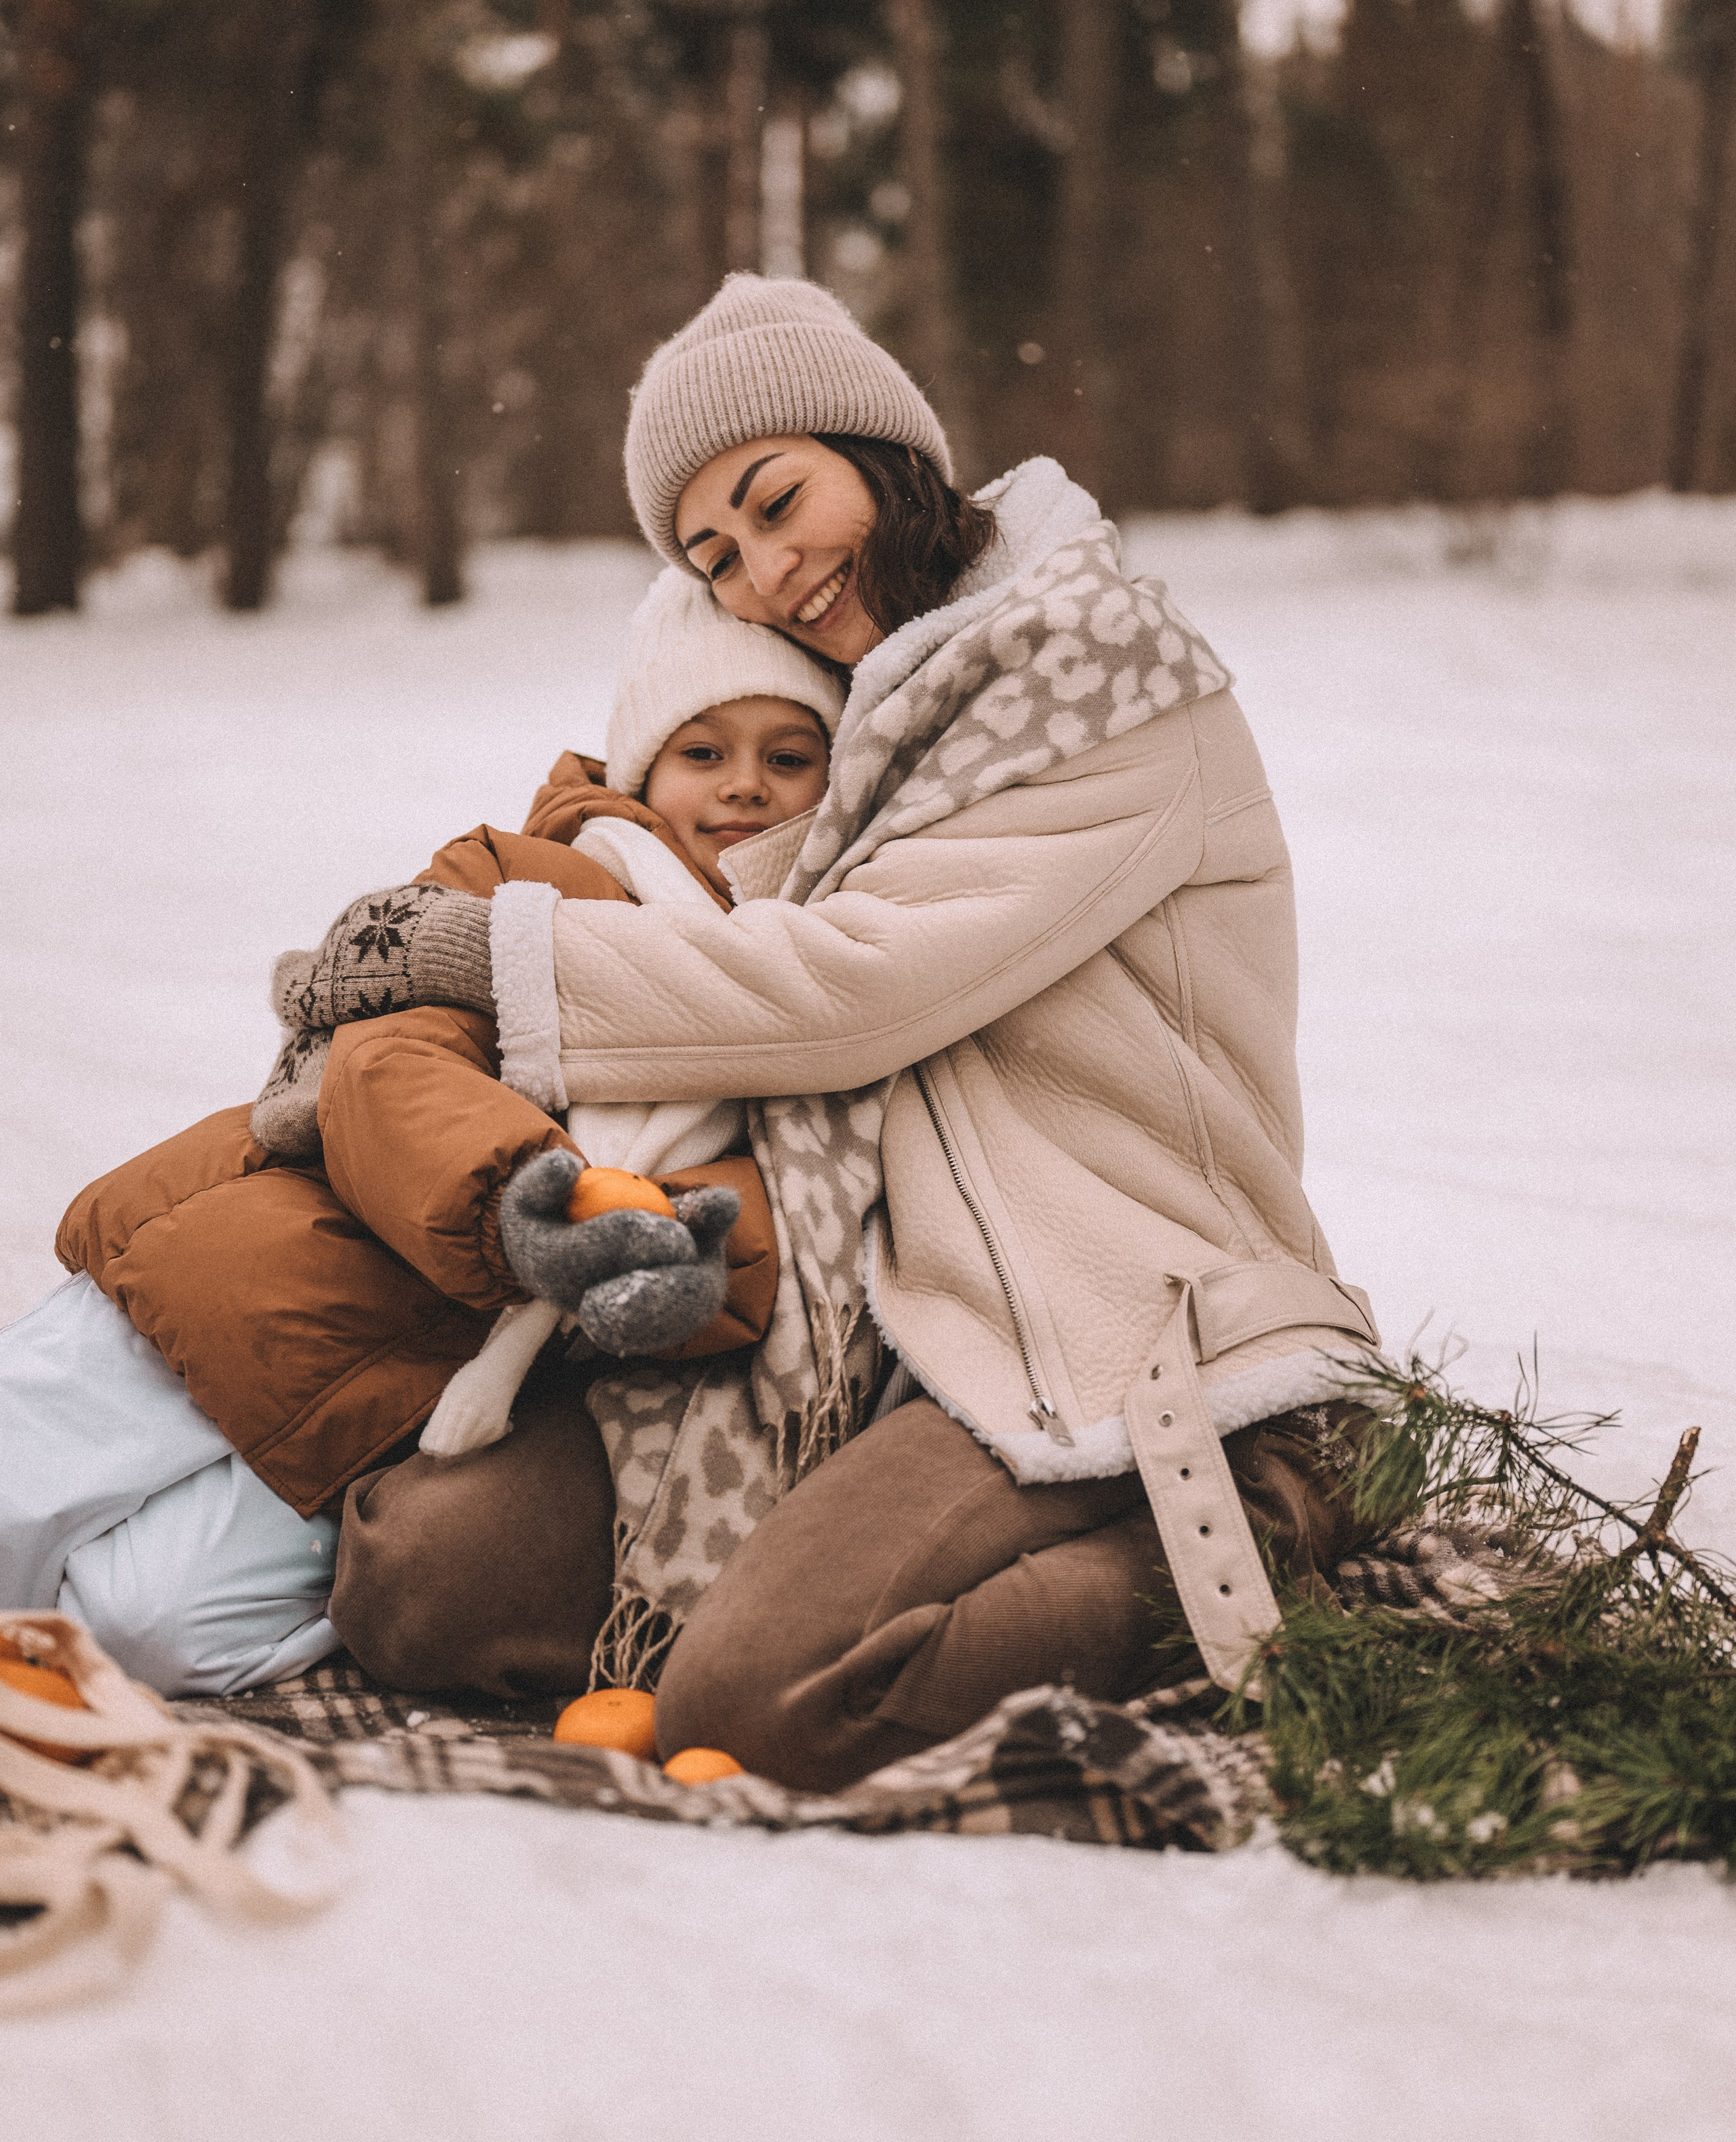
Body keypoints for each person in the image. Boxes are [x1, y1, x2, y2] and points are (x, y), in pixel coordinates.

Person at [305, 272, 1389, 1791]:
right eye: (715, 558)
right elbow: (712, 891)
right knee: (422, 1579)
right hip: (859, 1318)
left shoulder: (1098, 677)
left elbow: (845, 988)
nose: (766, 572)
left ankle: (1264, 1519)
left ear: (882, 451)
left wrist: (492, 955)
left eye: (775, 501)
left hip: (1114, 1315)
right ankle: (802, 1581)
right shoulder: (874, 712)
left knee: (760, 1705)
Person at [5, 573, 843, 1696]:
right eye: (705, 752)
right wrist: (523, 1202)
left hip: (407, 1398)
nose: (745, 785)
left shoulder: (826, 990)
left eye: (789, 757)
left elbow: (782, 1204)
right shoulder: (527, 879)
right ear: (644, 767)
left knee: (151, 1628)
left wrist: (691, 1270)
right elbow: (388, 1060)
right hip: (257, 1271)